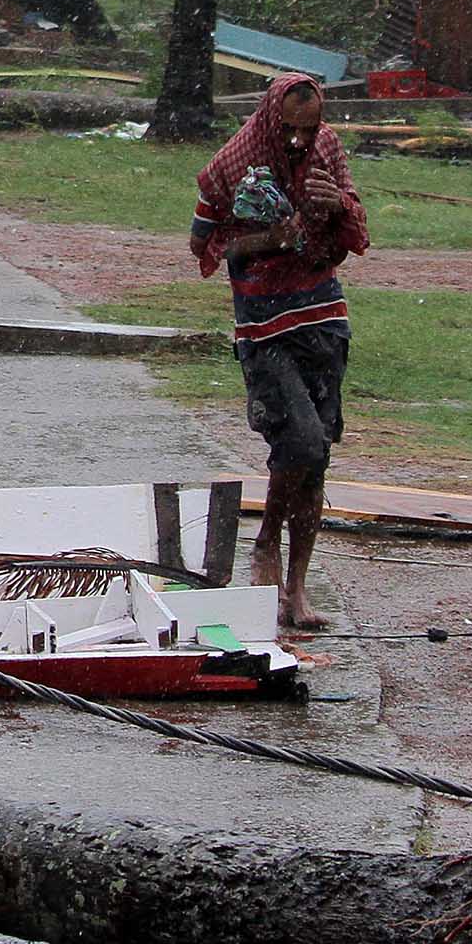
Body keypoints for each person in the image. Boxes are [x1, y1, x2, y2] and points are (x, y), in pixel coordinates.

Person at [191, 73, 369, 631]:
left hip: (322, 315)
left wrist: (337, 204)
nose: (299, 142)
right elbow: (207, 244)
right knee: (302, 441)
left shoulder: (329, 150)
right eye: (289, 131)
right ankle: (265, 544)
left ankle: (296, 584)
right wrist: (272, 238)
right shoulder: (231, 166)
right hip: (264, 325)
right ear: (271, 119)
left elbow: (356, 233)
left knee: (316, 456)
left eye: (308, 130)